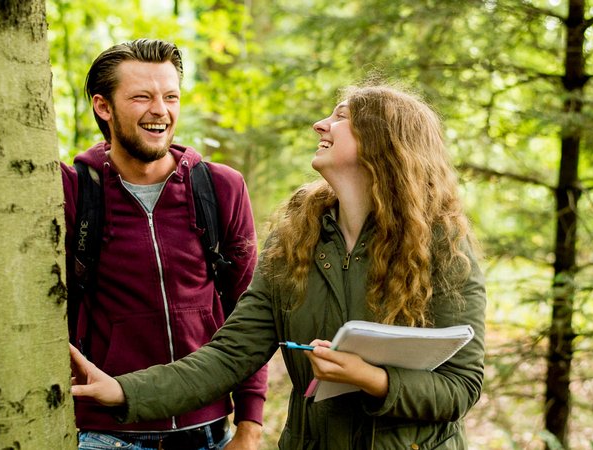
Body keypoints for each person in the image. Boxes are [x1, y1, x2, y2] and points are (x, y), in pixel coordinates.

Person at [70, 83, 487, 449]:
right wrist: (123, 391)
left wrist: (372, 379)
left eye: (340, 117)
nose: (320, 125)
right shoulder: (297, 239)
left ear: (384, 142)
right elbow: (227, 357)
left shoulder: (443, 246)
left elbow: (460, 387)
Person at [60, 38, 267, 450]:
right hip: (106, 432)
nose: (161, 110)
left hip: (209, 431)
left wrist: (250, 424)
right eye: (142, 97)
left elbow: (249, 313)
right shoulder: (72, 190)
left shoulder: (221, 188)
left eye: (170, 96)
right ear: (104, 107)